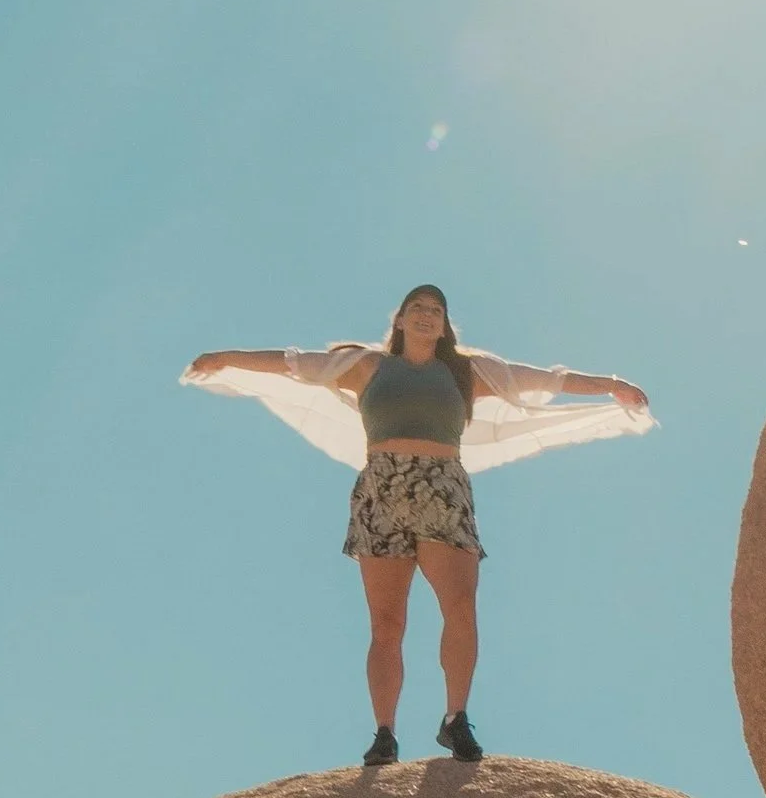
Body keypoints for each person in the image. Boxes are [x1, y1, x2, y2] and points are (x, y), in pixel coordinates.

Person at [183, 284, 651, 765]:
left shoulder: (467, 372)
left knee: (460, 608)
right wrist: (225, 357)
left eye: (437, 310)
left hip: (443, 489)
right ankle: (384, 733)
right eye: (418, 309)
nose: (428, 315)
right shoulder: (366, 366)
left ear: (445, 325)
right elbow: (292, 363)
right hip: (382, 490)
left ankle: (455, 719)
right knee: (386, 624)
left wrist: (610, 384)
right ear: (401, 320)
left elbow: (546, 381)